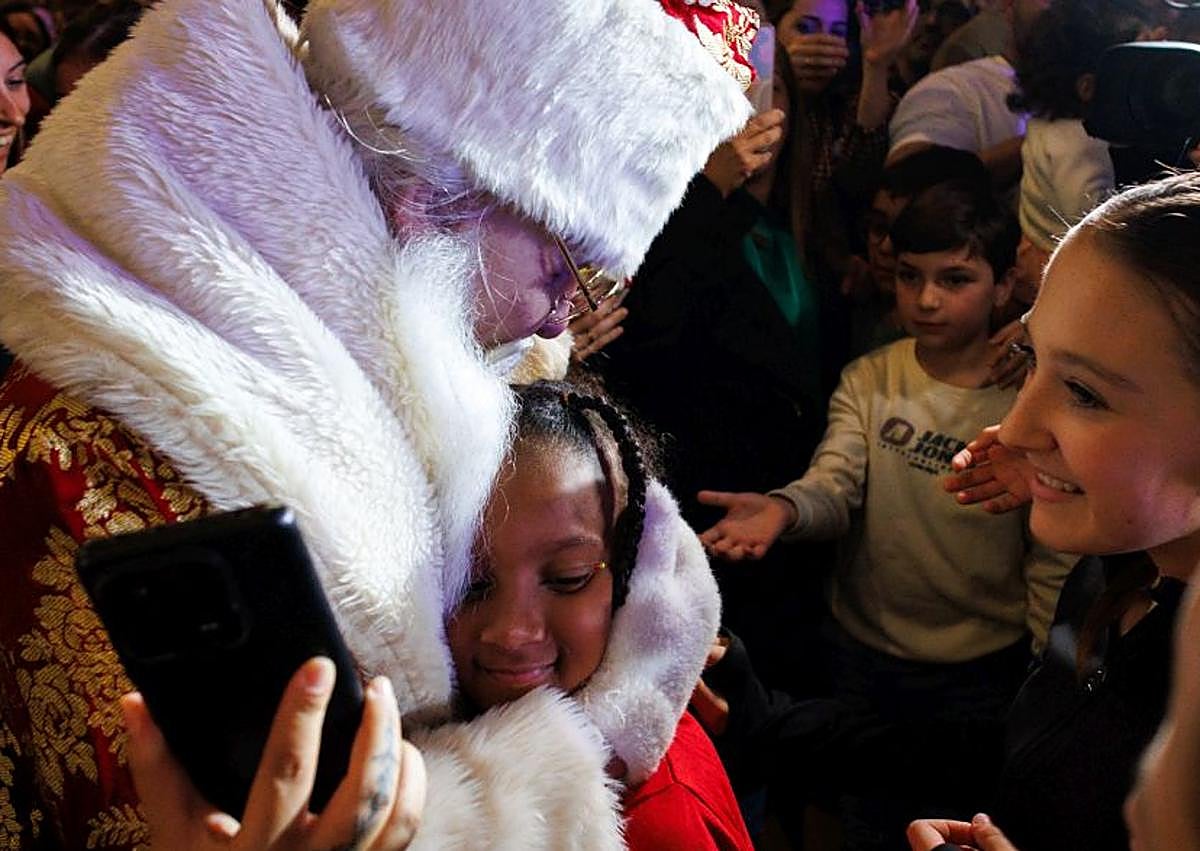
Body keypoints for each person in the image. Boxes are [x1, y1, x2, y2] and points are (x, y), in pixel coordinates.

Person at [0, 0, 754, 846]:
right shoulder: (92, 445)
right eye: (564, 267)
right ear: (430, 203)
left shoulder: (451, 336)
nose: (558, 324)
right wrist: (548, 769)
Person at [700, 180, 1072, 850]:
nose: (927, 299)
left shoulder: (1027, 399)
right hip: (864, 654)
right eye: (910, 277)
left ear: (1003, 283)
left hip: (979, 670)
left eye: (954, 278)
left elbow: (1050, 552)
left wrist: (1047, 669)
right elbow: (835, 483)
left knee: (952, 820)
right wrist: (785, 507)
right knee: (863, 815)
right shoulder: (874, 377)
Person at [914, 170, 1200, 851]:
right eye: (1030, 356)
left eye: (1083, 391)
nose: (1012, 429)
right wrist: (769, 719)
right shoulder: (1120, 573)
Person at [447, 380, 752, 850]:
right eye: (469, 582)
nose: (512, 631)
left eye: (569, 578)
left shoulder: (658, 821)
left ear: (634, 572)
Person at [1008, 0, 1145, 307]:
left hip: (1037, 247)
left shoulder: (1046, 121)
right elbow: (1091, 221)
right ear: (1088, 87)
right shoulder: (1080, 144)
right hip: (1059, 269)